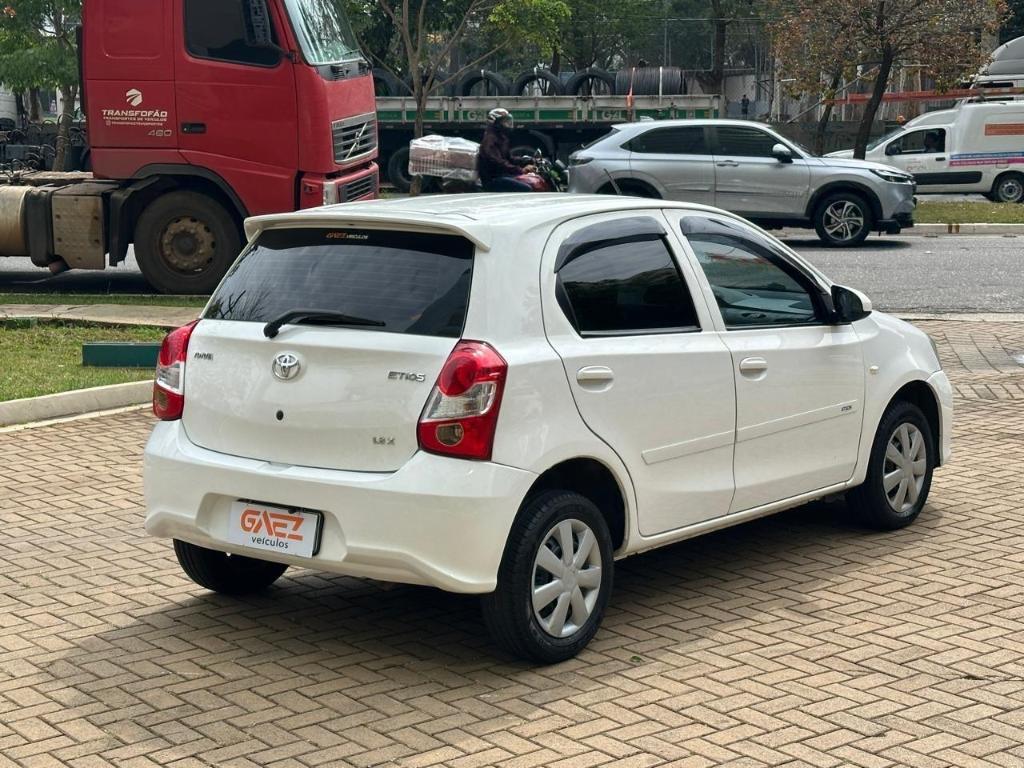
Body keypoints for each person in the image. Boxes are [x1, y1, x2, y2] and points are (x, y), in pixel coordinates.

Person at [478, 108, 534, 192]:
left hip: (502, 175)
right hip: (493, 179)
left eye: (508, 122)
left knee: (531, 179)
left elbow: (509, 158)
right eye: (505, 122)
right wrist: (520, 170)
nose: (508, 125)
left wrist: (528, 160)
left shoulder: (502, 138)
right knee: (527, 188)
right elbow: (497, 162)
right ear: (496, 123)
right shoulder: (490, 139)